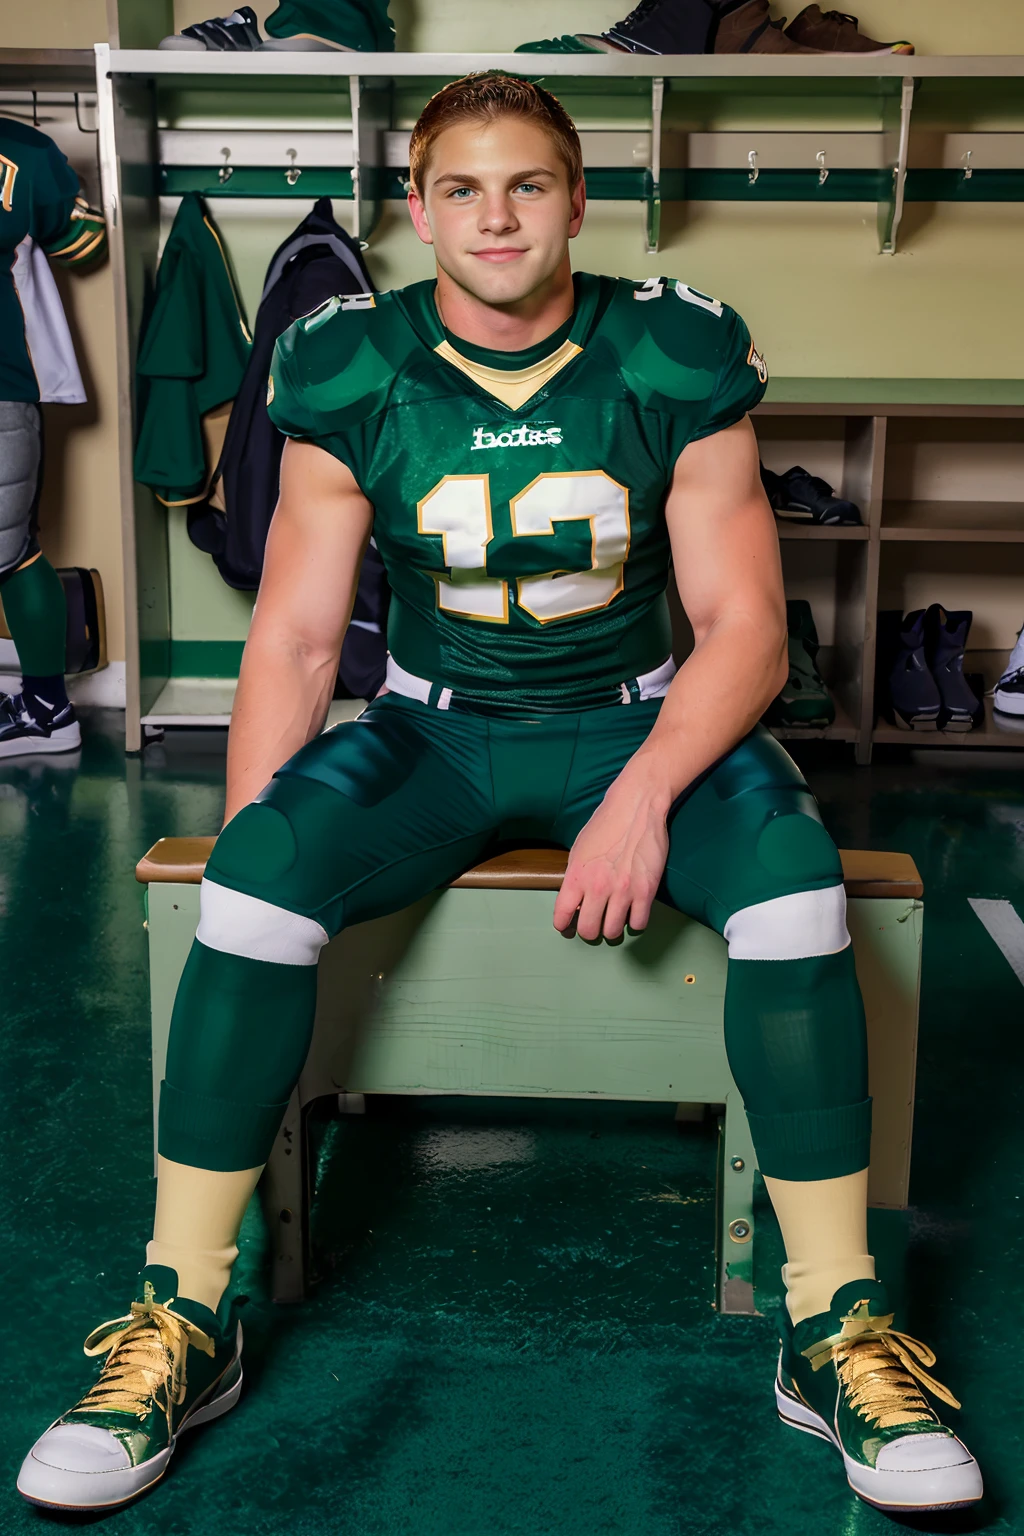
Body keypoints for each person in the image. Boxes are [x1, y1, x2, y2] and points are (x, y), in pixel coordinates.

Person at [18, 72, 981, 1516]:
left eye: (528, 183)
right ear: (417, 212)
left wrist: (648, 792)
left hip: (642, 723)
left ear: (578, 201)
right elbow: (290, 634)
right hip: (435, 732)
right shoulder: (352, 361)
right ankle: (183, 1315)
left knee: (794, 894)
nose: (497, 215)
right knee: (252, 885)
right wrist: (263, 856)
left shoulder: (668, 347)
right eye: (462, 188)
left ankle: (834, 1323)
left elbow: (747, 631)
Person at [0, 116, 106, 758]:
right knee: (10, 551)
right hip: (6, 382)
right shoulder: (22, 149)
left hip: (3, 382)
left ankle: (46, 710)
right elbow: (84, 244)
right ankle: (45, 705)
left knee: (8, 552)